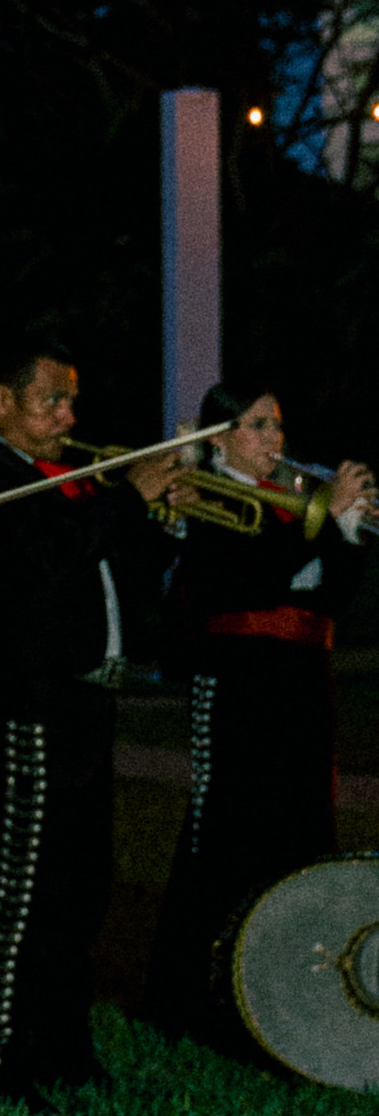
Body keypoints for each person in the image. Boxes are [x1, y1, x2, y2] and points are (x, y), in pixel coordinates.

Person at [0, 337, 174, 1107]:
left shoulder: (68, 479)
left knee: (83, 889)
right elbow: (39, 559)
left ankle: (65, 1046)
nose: (70, 417)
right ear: (2, 403)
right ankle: (3, 1064)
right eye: (52, 402)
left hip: (87, 703)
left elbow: (114, 566)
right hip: (31, 704)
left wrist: (157, 519)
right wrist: (122, 498)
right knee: (27, 890)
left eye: (72, 402)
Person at [146, 380, 375, 1037]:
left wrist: (348, 534)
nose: (274, 440)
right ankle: (189, 997)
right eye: (255, 426)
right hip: (238, 680)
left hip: (303, 679)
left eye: (277, 426)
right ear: (218, 439)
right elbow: (243, 579)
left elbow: (327, 600)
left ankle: (288, 992)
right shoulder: (204, 495)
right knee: (224, 833)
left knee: (302, 829)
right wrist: (326, 523)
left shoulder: (294, 500)